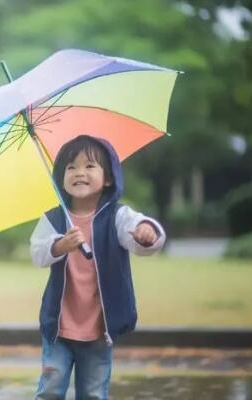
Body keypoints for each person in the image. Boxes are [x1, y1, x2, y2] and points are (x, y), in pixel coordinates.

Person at [30, 135, 166, 399]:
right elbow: (37, 252)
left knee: (93, 392)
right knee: (51, 385)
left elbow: (140, 237)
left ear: (108, 177)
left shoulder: (118, 216)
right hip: (59, 325)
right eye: (71, 167)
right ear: (61, 178)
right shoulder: (54, 218)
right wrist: (60, 245)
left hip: (98, 328)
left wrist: (146, 232)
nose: (79, 172)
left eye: (89, 166)